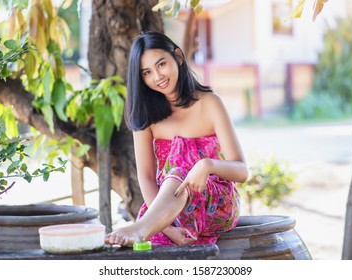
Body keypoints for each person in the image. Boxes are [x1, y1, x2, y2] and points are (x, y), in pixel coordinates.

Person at [105, 31, 248, 246]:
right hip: (167, 208)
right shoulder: (146, 115)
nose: (157, 76)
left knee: (178, 173)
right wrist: (167, 228)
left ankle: (139, 228)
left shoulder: (210, 103)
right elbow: (145, 176)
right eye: (146, 72)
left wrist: (206, 165)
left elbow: (242, 171)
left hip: (216, 203)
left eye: (161, 64)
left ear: (178, 57)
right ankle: (146, 227)